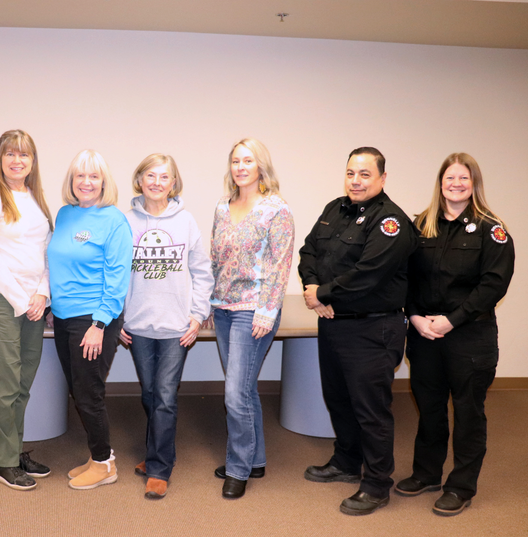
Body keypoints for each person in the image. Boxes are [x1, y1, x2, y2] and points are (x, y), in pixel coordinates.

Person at [298, 147, 416, 515]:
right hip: (334, 324)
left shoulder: (390, 222)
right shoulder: (335, 209)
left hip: (372, 329)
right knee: (339, 400)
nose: (356, 180)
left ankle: (378, 484)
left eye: (365, 174)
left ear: (382, 178)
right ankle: (346, 462)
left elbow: (368, 274)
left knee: (371, 410)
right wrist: (314, 291)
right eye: (351, 173)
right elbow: (308, 252)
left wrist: (322, 293)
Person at [396, 153, 514, 516]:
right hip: (425, 334)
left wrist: (452, 319)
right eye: (450, 178)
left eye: (464, 178)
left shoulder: (491, 229)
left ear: (474, 183)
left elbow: (493, 285)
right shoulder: (422, 225)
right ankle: (427, 473)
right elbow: (406, 277)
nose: (457, 184)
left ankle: (461, 486)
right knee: (430, 408)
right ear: (441, 183)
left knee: (468, 412)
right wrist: (414, 316)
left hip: (469, 336)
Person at [119, 153, 214, 499]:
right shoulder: (125, 222)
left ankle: (159, 468)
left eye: (165, 177)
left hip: (177, 327)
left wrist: (197, 314)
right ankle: (158, 451)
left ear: (173, 183)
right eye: (151, 176)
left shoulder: (186, 222)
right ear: (139, 179)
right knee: (149, 394)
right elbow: (113, 275)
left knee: (164, 396)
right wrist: (116, 319)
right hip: (139, 325)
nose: (157, 183)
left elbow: (202, 272)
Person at [210, 138, 294, 499]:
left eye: (248, 160)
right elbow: (216, 260)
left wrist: (267, 310)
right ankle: (255, 458)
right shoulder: (222, 208)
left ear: (261, 166)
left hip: (254, 312)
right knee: (244, 389)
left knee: (234, 394)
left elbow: (280, 265)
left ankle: (238, 468)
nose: (241, 167)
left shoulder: (276, 210)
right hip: (223, 308)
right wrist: (207, 304)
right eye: (235, 161)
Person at [0, 130, 53, 491]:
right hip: (2, 299)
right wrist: (23, 300)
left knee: (23, 381)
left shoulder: (36, 198)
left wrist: (42, 294)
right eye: (10, 155)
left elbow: (48, 252)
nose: (17, 161)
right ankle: (3, 462)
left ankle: (15, 448)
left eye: (24, 155)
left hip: (34, 303)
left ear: (32, 161)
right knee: (7, 381)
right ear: (0, 159)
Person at [49, 149, 132, 491]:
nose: (86, 182)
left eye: (93, 176)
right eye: (80, 175)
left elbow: (117, 276)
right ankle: (101, 455)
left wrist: (99, 325)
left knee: (88, 394)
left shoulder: (114, 220)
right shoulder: (65, 214)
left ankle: (104, 466)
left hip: (94, 320)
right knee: (79, 390)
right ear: (72, 181)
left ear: (104, 182)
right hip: (64, 317)